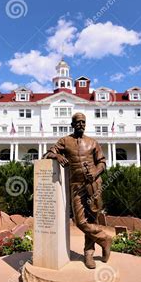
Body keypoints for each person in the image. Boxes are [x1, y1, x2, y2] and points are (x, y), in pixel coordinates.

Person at [43, 112, 112, 269]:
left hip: (94, 184)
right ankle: (104, 239)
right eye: (78, 122)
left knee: (92, 218)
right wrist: (56, 156)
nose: (81, 124)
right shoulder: (65, 141)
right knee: (79, 221)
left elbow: (102, 163)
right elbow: (48, 153)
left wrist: (95, 172)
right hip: (76, 185)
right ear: (72, 124)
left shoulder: (92, 142)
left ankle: (89, 254)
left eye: (83, 122)